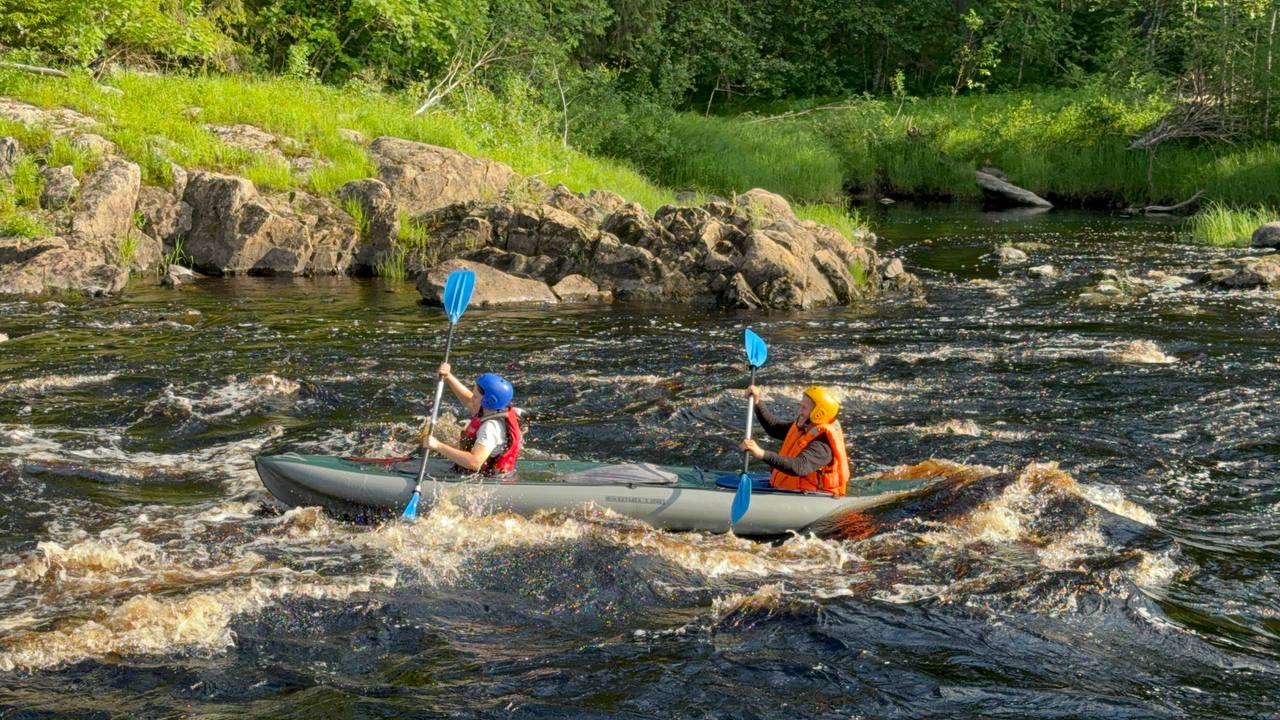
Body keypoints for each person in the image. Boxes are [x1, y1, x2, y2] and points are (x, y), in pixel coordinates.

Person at [738, 385, 851, 496]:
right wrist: (757, 402)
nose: (799, 412)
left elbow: (799, 467)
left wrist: (761, 454)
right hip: (789, 490)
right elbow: (775, 429)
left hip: (813, 496)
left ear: (818, 413)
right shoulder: (805, 426)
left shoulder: (822, 445)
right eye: (800, 406)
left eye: (804, 408)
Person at [419, 362, 523, 476]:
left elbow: (475, 462)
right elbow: (468, 399)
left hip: (485, 478)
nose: (472, 398)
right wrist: (448, 376)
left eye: (475, 396)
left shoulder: (490, 427)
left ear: (488, 401)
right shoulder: (491, 409)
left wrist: (437, 445)